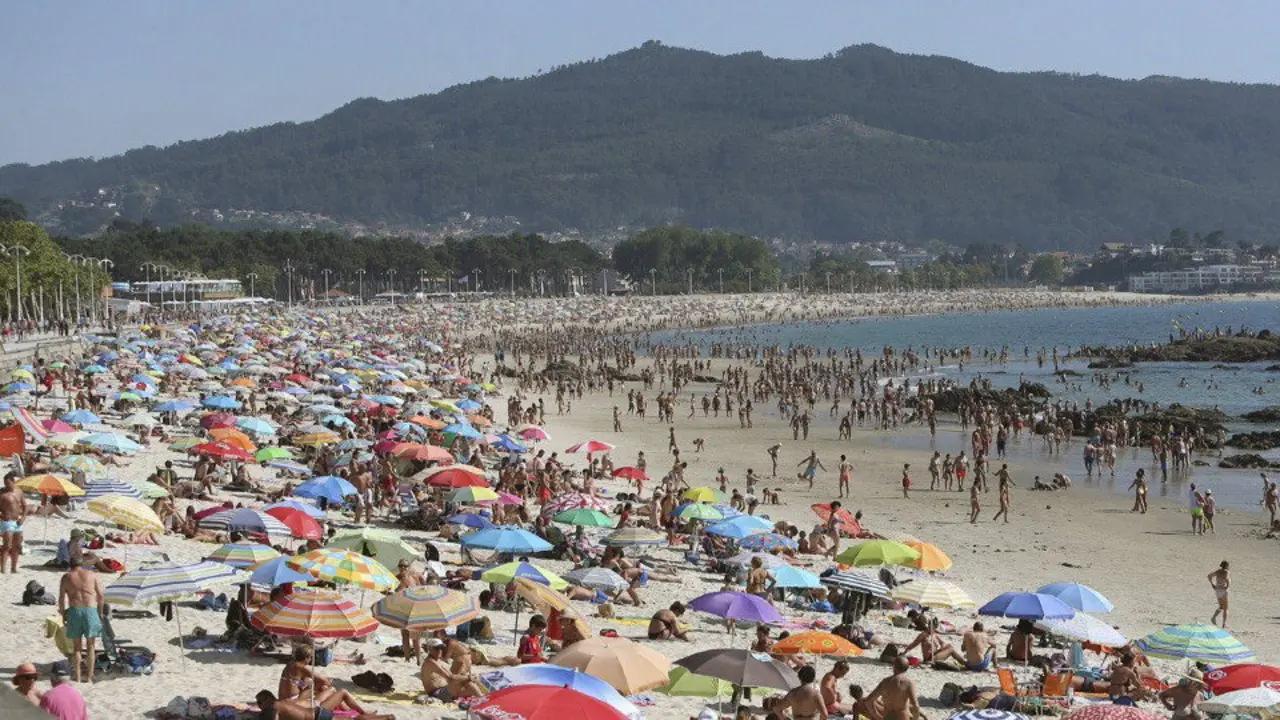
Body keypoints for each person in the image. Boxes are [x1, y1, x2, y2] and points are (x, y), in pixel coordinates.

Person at [58, 557, 104, 683]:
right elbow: (100, 595)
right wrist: (99, 612)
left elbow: (61, 599)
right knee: (91, 646)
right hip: (90, 610)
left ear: (70, 565)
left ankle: (78, 677)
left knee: (77, 648)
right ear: (81, 564)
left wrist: (63, 614)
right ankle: (89, 677)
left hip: (75, 610)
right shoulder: (91, 574)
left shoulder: (66, 577)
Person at [255, 689, 393, 720]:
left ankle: (387, 718)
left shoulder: (272, 708)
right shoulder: (280, 704)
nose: (259, 705)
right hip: (318, 713)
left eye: (260, 702)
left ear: (268, 699)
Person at [420, 639, 486, 702]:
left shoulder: (436, 660)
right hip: (437, 693)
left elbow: (451, 675)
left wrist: (468, 677)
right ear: (430, 649)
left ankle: (483, 697)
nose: (440, 651)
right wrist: (468, 677)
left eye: (442, 648)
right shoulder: (431, 662)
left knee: (469, 682)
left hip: (444, 690)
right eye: (437, 648)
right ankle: (483, 700)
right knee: (468, 681)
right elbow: (450, 677)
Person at [0, 472, 26, 574]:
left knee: (17, 546)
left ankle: (13, 568)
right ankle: (3, 569)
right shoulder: (2, 493)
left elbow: (25, 506)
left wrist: (23, 518)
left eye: (8, 483)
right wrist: (1, 516)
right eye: (5, 483)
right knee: (7, 546)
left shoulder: (19, 491)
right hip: (7, 522)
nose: (6, 485)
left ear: (13, 482)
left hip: (18, 522)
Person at [1209, 561, 1230, 628]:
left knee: (1221, 606)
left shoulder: (1218, 571)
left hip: (1217, 590)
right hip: (1223, 590)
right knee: (1225, 608)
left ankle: (1214, 617)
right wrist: (1227, 586)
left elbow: (1209, 576)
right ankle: (1224, 624)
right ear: (1226, 566)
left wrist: (1212, 584)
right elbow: (1227, 580)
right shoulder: (1227, 572)